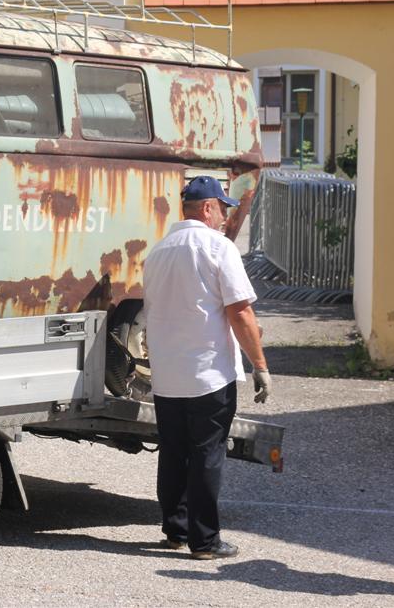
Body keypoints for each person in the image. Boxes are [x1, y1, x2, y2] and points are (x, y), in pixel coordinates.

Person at [142, 175, 272, 561]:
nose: (225, 219)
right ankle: (205, 541)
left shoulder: (158, 252)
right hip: (208, 373)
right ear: (208, 208)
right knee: (206, 455)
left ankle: (175, 530)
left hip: (167, 374)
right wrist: (260, 365)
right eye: (223, 210)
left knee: (174, 453)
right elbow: (240, 311)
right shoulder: (218, 248)